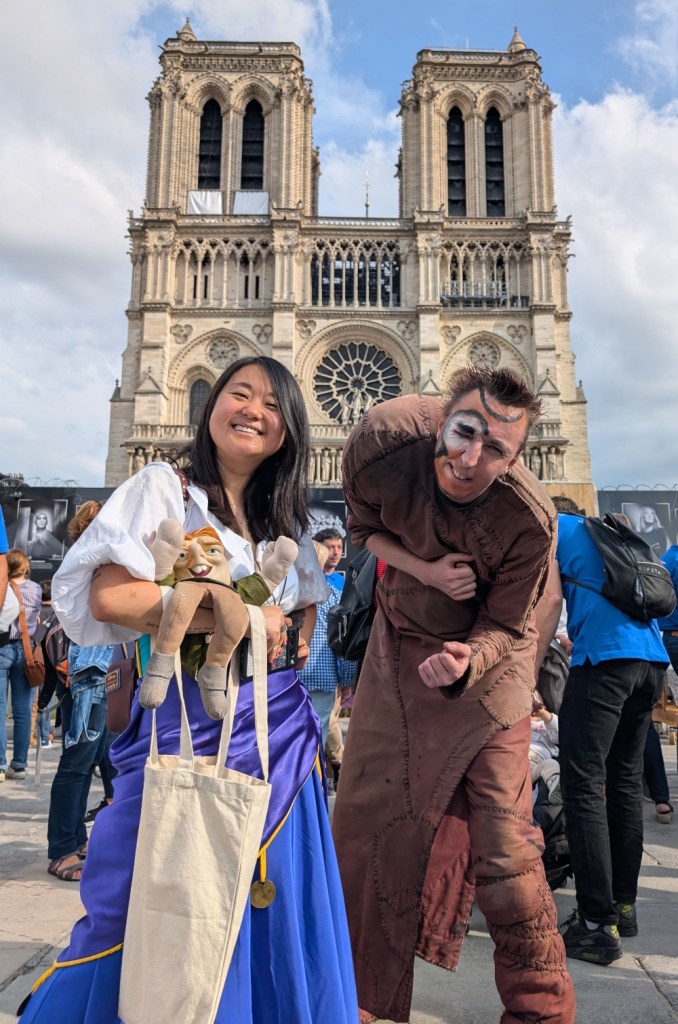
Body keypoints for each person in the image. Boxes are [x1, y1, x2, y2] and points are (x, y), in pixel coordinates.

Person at [20, 356, 358, 1023]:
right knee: (133, 907)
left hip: (281, 740)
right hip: (183, 727)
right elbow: (111, 597)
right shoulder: (165, 489)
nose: (253, 410)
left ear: (289, 431)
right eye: (239, 393)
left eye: (272, 404)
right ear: (209, 406)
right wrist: (229, 611)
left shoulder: (285, 522)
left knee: (266, 905)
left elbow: (293, 627)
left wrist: (276, 631)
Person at [332, 366, 574, 1024]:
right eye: (465, 432)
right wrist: (428, 570)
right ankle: (359, 1004)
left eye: (495, 449)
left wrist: (472, 657)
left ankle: (542, 1013)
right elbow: (363, 529)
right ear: (442, 420)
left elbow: (509, 624)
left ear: (516, 461)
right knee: (366, 827)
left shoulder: (530, 520)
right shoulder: (380, 443)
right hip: (400, 646)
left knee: (506, 846)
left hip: (493, 663)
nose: (471, 458)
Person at [550, 507, 668, 963]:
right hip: (650, 662)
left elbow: (548, 604)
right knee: (624, 785)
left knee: (582, 786)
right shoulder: (609, 533)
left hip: (602, 660)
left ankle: (596, 925)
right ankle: (623, 908)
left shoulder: (554, 529)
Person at [45, 502, 116, 882]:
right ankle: (62, 848)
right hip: (90, 670)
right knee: (77, 763)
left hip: (102, 670)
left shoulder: (93, 563)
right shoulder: (91, 563)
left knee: (96, 759)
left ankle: (76, 838)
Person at [0, 549, 43, 782]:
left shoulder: (3, 587)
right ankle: (19, 765)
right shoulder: (35, 589)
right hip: (26, 650)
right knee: (23, 710)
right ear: (25, 567)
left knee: (0, 709)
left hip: (2, 645)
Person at [313, 527, 345, 591]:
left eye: (339, 547)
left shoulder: (343, 582)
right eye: (331, 547)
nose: (336, 552)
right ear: (318, 549)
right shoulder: (308, 579)